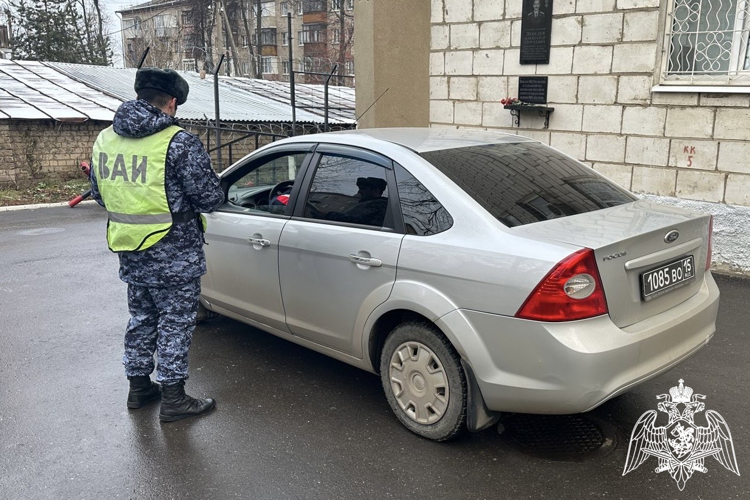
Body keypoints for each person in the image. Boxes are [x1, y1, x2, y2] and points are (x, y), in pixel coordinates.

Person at [90, 67, 225, 423]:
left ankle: (139, 388)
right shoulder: (178, 141)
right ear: (172, 102)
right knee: (176, 323)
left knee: (141, 318)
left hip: (130, 250)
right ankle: (174, 398)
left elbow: (101, 196)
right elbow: (210, 197)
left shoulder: (105, 139)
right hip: (175, 252)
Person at [322, 176, 388, 226]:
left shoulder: (379, 205)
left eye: (363, 189)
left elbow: (357, 220)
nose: (359, 192)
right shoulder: (366, 204)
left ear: (376, 190)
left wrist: (328, 215)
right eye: (359, 188)